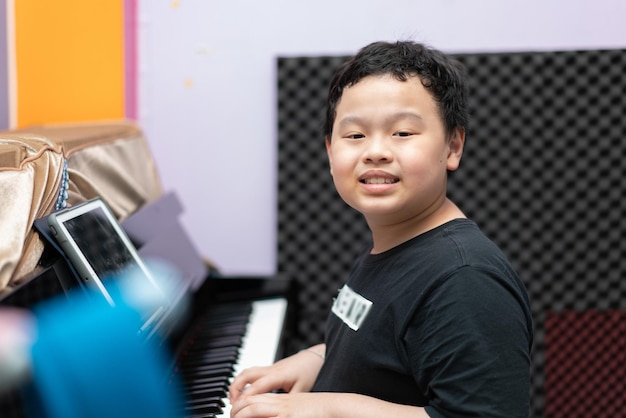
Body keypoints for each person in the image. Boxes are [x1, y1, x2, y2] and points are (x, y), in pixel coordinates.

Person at [228, 40, 533, 417]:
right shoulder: (394, 242)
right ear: (329, 151)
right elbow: (384, 343)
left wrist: (329, 409)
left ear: (453, 146)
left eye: (402, 133)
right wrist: (317, 359)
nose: (375, 151)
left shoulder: (465, 280)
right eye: (355, 136)